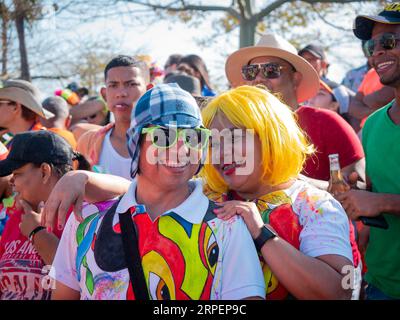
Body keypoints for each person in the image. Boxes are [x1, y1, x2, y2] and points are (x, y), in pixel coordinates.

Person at [49, 83, 265, 300]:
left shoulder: (226, 225)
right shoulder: (85, 220)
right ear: (136, 143)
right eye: (163, 137)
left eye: (193, 137)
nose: (180, 149)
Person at [225, 33, 365, 184]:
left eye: (270, 70)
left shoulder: (327, 123)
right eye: (251, 71)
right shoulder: (233, 128)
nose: (258, 78)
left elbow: (361, 188)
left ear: (295, 78)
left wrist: (298, 187)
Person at [336, 3, 400, 300]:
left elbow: (380, 201)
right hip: (379, 285)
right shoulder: (372, 125)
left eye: (388, 42)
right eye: (372, 45)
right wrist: (358, 191)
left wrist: (382, 202)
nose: (376, 53)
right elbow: (371, 194)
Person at [0, 130, 91, 299]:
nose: (11, 181)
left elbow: (78, 284)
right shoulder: (18, 218)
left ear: (44, 171)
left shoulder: (81, 217)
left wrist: (37, 232)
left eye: (17, 174)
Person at [76, 55, 149, 180]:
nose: (121, 93)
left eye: (131, 84)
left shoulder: (164, 141)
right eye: (113, 85)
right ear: (104, 95)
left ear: (149, 91)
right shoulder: (89, 142)